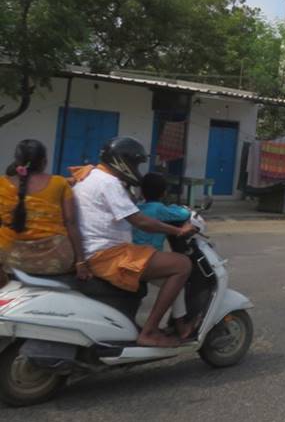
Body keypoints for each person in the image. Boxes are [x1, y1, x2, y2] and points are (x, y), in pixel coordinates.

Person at [73, 137, 194, 348]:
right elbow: (140, 221)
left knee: (164, 269)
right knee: (182, 264)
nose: (136, 169)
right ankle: (149, 332)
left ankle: (174, 324)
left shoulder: (90, 176)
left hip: (94, 251)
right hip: (108, 255)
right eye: (135, 163)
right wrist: (178, 230)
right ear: (122, 162)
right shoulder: (108, 183)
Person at [0, 140, 89, 287]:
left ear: (17, 162)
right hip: (56, 259)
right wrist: (81, 261)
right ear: (44, 161)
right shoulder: (59, 183)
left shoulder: (2, 184)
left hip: (11, 259)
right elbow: (71, 223)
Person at [135, 172, 195, 340]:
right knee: (177, 281)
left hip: (133, 257)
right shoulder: (160, 210)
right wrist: (183, 209)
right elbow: (183, 215)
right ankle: (181, 326)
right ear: (163, 193)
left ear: (142, 192)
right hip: (151, 260)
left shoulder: (138, 208)